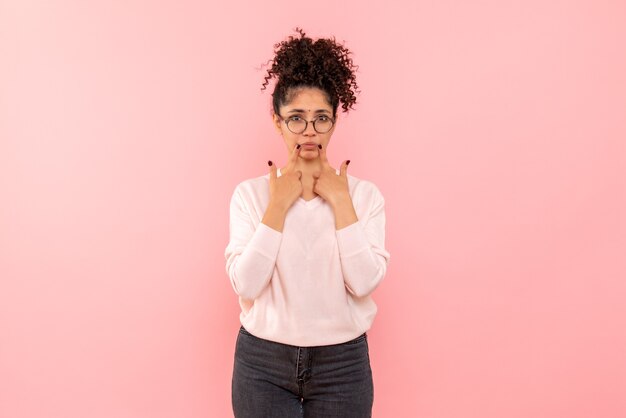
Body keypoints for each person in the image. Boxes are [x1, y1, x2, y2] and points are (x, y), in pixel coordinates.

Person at [224, 27, 390, 418]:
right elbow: (246, 283)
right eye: (296, 118)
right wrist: (278, 206)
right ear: (277, 121)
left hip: (342, 364)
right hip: (262, 362)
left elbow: (364, 282)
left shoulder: (365, 197)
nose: (310, 131)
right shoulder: (250, 196)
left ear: (335, 120)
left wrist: (340, 201)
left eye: (321, 118)